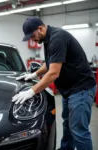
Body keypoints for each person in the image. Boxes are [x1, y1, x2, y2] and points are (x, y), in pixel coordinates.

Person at [12, 17, 96, 150]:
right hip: (69, 90)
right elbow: (49, 63)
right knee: (68, 125)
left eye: (32, 36)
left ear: (40, 28)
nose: (32, 40)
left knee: (79, 129)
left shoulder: (57, 38)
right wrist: (34, 74)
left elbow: (53, 73)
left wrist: (31, 91)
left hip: (81, 89)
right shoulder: (48, 39)